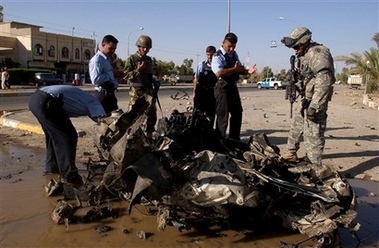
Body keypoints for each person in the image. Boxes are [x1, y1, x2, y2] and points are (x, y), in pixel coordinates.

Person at [29, 85, 106, 184]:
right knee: (68, 136)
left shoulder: (83, 96)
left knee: (53, 135)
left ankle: (52, 167)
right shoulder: (95, 102)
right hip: (49, 102)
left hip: (35, 100)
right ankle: (69, 175)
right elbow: (102, 121)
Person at [280, 27, 335, 166]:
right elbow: (304, 77)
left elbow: (325, 81)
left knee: (313, 134)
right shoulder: (302, 55)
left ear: (305, 42)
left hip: (316, 100)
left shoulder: (318, 53)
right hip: (305, 98)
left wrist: (315, 105)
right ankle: (291, 152)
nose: (295, 49)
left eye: (297, 46)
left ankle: (314, 166)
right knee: (296, 126)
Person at [211, 32, 256, 141]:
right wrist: (235, 69)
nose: (231, 49)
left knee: (237, 113)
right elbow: (219, 73)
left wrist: (247, 72)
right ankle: (220, 141)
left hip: (232, 87)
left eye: (233, 46)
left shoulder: (234, 55)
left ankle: (234, 139)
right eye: (229, 46)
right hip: (222, 88)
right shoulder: (217, 56)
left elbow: (240, 69)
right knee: (223, 116)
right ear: (223, 43)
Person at [123, 35, 158, 139]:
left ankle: (149, 136)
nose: (146, 50)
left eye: (148, 48)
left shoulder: (148, 60)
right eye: (144, 47)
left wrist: (154, 82)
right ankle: (132, 138)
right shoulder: (132, 59)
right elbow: (125, 75)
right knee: (134, 117)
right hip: (136, 93)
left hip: (148, 92)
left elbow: (149, 75)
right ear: (139, 46)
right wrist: (138, 70)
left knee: (152, 115)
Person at [89, 35, 123, 116]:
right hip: (103, 96)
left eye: (114, 49)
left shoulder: (107, 59)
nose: (113, 51)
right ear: (103, 45)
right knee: (106, 123)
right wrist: (112, 73)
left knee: (117, 120)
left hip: (110, 95)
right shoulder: (97, 60)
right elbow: (95, 79)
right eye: (110, 48)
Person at [193, 45, 218, 126]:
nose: (209, 57)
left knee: (210, 115)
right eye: (208, 54)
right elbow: (196, 78)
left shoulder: (217, 66)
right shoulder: (201, 65)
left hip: (212, 94)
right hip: (201, 93)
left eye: (211, 55)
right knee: (198, 115)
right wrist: (194, 92)